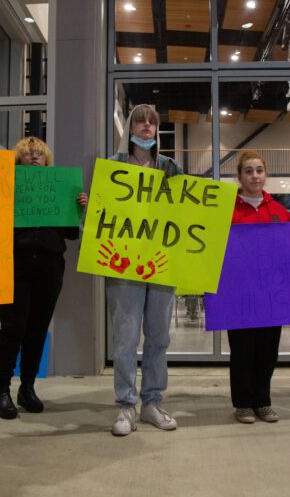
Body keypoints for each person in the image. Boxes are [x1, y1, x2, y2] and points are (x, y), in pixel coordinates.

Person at [0, 136, 87, 419]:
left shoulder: (60, 188)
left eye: (39, 154)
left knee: (37, 328)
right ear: (18, 159)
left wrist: (78, 208)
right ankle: (2, 389)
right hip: (15, 264)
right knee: (12, 329)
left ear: (47, 159)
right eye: (27, 153)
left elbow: (70, 235)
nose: (34, 157)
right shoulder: (9, 188)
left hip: (49, 266)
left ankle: (27, 387)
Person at [107, 104, 182, 436]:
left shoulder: (170, 167)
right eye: (140, 120)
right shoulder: (113, 167)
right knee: (125, 337)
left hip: (162, 263)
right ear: (130, 128)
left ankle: (152, 403)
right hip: (125, 263)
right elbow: (101, 213)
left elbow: (186, 214)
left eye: (153, 121)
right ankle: (126, 406)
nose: (147, 125)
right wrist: (88, 203)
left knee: (159, 337)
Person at [226, 150, 290, 423]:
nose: (255, 176)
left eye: (259, 170)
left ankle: (262, 401)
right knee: (242, 349)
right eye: (249, 171)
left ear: (266, 175)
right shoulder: (225, 210)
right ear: (240, 176)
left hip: (270, 294)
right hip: (238, 293)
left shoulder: (279, 212)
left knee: (268, 349)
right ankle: (243, 403)